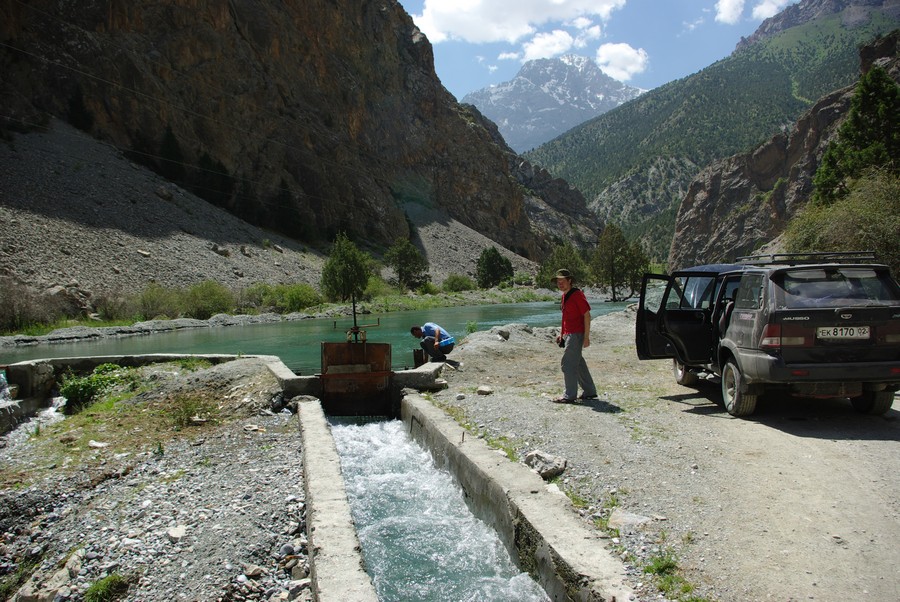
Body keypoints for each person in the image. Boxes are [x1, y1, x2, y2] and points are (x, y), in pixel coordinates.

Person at [552, 269, 598, 403]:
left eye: (563, 281)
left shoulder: (577, 295)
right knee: (578, 363)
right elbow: (565, 319)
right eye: (558, 281)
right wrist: (562, 335)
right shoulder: (564, 296)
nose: (560, 284)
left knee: (567, 364)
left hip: (576, 334)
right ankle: (590, 391)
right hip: (569, 335)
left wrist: (586, 337)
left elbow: (587, 315)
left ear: (569, 281)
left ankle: (569, 396)